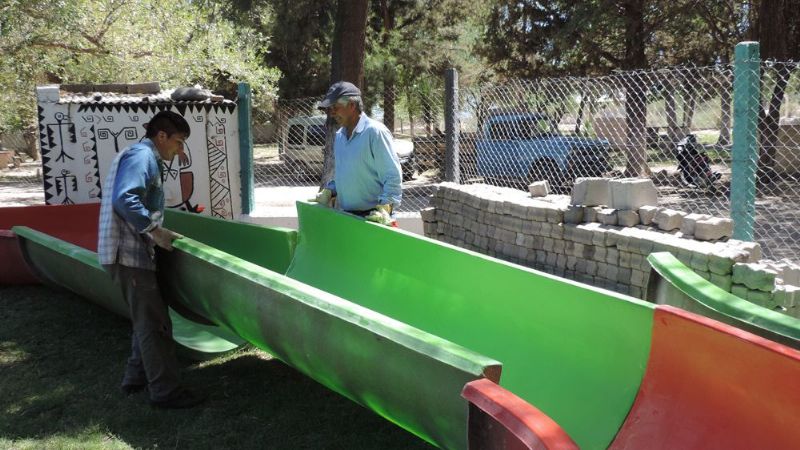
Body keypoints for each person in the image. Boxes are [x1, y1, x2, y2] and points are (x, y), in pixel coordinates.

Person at [98, 110, 205, 409]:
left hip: (128, 253)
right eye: (179, 141)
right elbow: (125, 198)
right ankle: (166, 392)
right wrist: (154, 231)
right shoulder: (142, 157)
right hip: (128, 253)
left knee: (146, 320)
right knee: (155, 325)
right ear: (162, 136)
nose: (180, 150)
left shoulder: (142, 156)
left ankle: (135, 379)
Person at [312, 81, 402, 225]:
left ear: (352, 105)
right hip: (348, 217)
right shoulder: (340, 136)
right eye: (330, 109)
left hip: (375, 218)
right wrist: (330, 190)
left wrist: (386, 208)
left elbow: (392, 176)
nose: (332, 113)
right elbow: (346, 174)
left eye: (335, 107)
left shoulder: (375, 132)